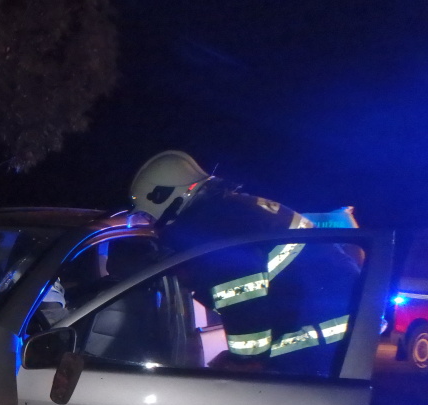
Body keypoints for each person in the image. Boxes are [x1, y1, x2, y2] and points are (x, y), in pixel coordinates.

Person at [130, 150, 361, 377]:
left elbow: (242, 295)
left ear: (162, 196)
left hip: (322, 332)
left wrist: (243, 363)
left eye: (149, 215)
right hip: (338, 316)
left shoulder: (215, 226)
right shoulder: (231, 209)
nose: (154, 222)